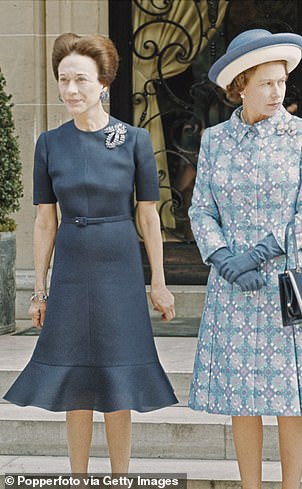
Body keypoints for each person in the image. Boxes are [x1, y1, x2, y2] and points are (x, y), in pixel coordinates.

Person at [3, 33, 178, 474]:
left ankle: (123, 478)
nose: (71, 90)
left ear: (104, 83)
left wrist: (158, 281)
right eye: (63, 80)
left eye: (80, 79)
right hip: (71, 268)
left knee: (118, 379)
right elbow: (45, 221)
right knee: (75, 380)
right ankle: (76, 478)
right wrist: (39, 290)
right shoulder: (50, 143)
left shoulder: (135, 140)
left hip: (119, 264)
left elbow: (149, 217)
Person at [188, 29, 302, 489]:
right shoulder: (215, 140)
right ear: (240, 85)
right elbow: (200, 208)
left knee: (291, 400)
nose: (278, 92)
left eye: (282, 82)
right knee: (243, 398)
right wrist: (222, 257)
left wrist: (260, 252)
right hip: (233, 286)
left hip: (285, 283)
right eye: (267, 83)